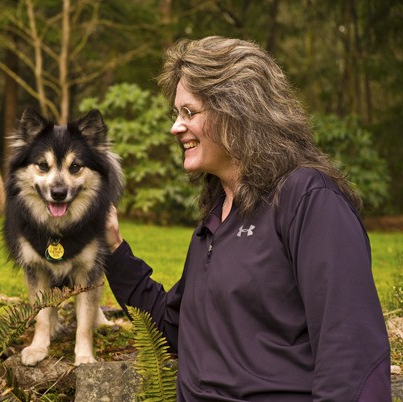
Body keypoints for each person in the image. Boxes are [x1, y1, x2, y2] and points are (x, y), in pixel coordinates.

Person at [104, 36, 391, 401]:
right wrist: (113, 249)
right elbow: (172, 329)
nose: (176, 128)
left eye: (189, 112)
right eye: (176, 114)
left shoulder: (307, 198)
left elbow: (351, 356)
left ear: (237, 109)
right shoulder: (216, 220)